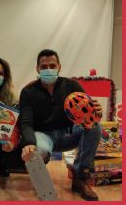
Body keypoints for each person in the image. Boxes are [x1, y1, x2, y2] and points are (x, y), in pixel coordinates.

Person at [20, 49, 102, 201]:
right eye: (44, 67)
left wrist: (96, 112)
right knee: (38, 151)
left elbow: (87, 113)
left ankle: (80, 177)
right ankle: (41, 182)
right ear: (37, 69)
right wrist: (29, 143)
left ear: (59, 67)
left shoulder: (72, 86)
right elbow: (25, 122)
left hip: (68, 134)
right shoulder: (28, 92)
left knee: (94, 126)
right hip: (42, 135)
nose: (48, 69)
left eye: (52, 65)